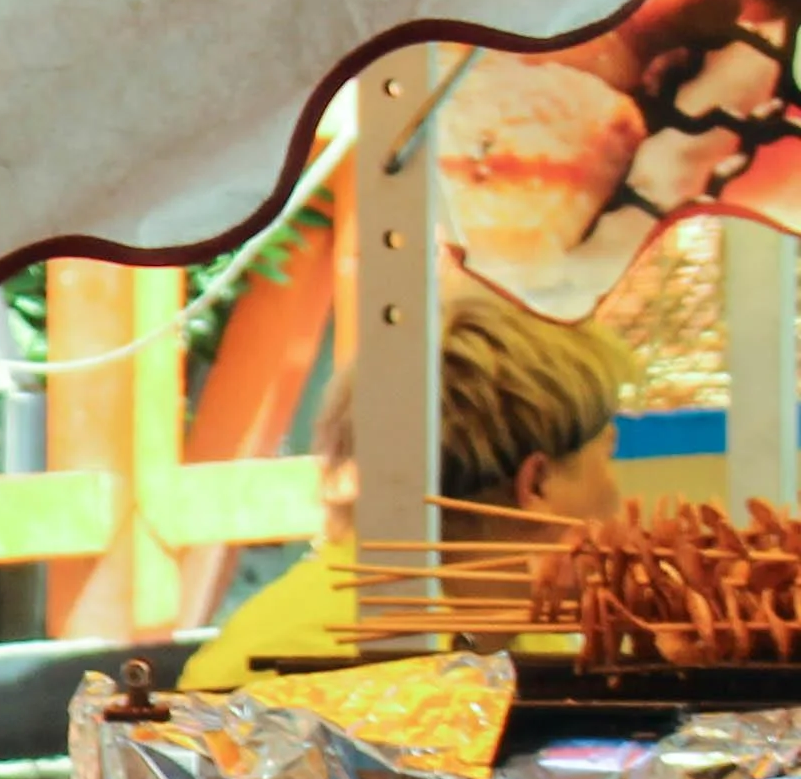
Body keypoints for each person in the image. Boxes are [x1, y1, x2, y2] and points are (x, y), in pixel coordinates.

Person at [185, 288, 633, 689]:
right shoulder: (318, 661)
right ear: (537, 482)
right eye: (605, 457)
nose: (619, 497)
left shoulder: (530, 637)